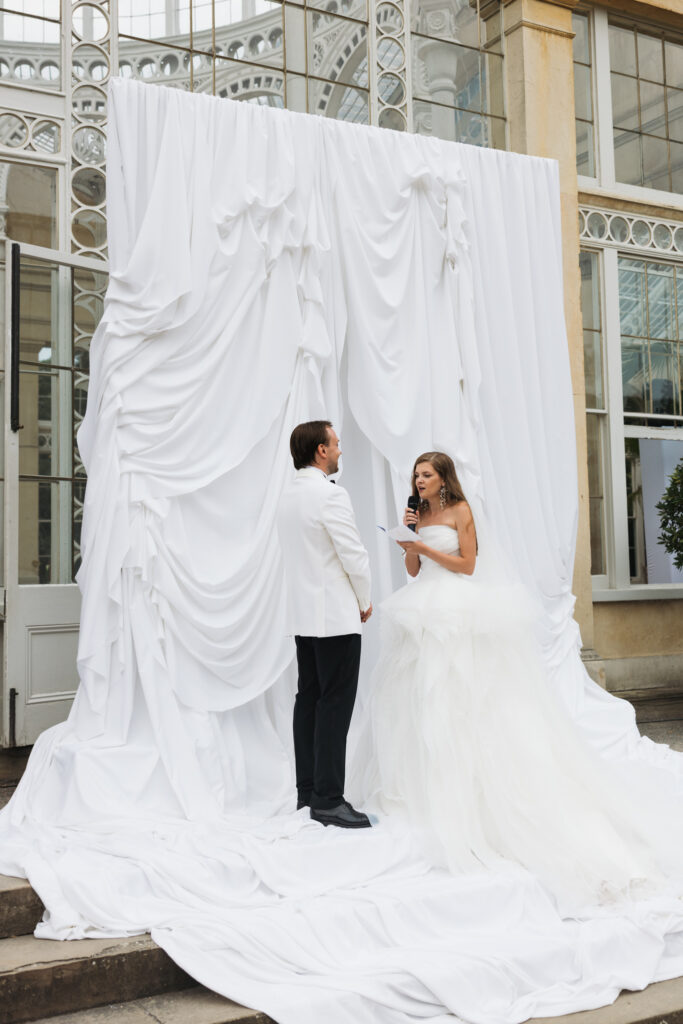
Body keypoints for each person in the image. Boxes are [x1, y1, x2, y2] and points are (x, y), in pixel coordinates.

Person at [366, 450, 683, 909]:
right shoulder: (419, 514)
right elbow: (414, 572)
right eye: (416, 475)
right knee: (424, 698)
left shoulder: (460, 510)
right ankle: (430, 790)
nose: (419, 481)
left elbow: (469, 565)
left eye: (426, 474)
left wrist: (427, 548)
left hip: (456, 608)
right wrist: (410, 543)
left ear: (443, 478)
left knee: (463, 696)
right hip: (423, 606)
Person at [278, 420, 373, 829]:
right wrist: (365, 600)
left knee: (309, 700)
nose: (339, 450)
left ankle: (308, 791)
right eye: (335, 444)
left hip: (303, 615)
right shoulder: (330, 496)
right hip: (334, 616)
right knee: (335, 706)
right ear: (320, 450)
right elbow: (353, 555)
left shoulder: (288, 496)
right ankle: (329, 799)